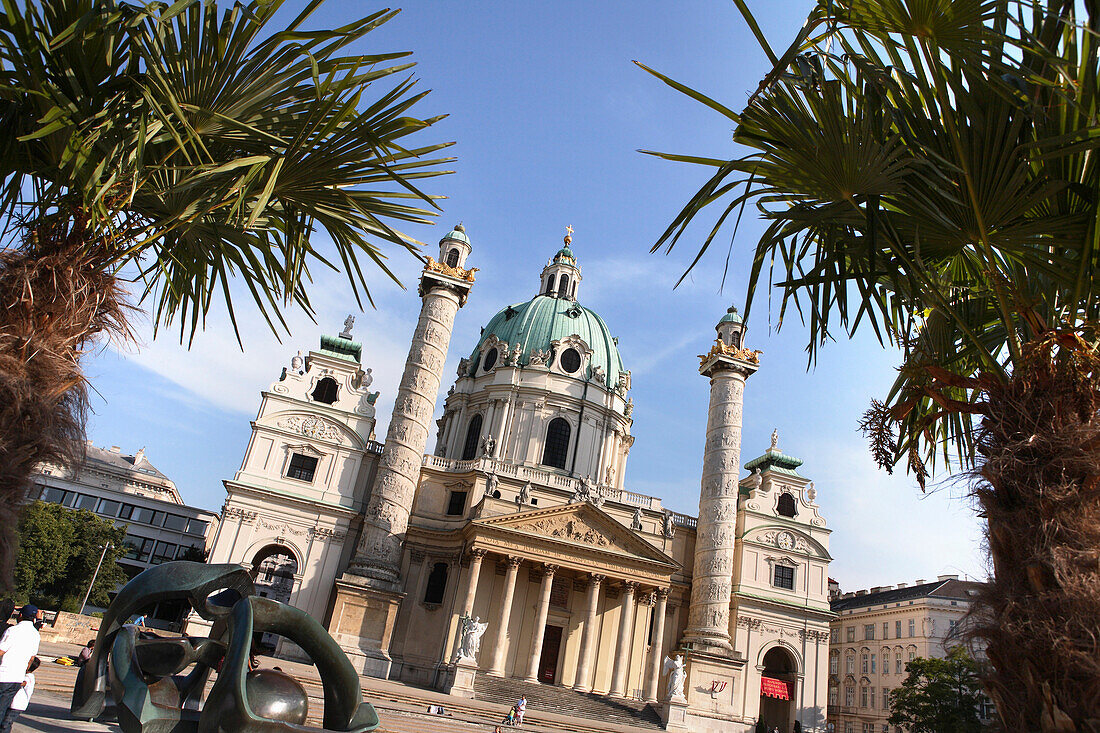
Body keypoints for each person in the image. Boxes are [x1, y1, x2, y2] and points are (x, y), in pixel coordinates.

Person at [0, 606, 41, 724]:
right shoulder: (35, 634)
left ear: (21, 615)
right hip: (17, 678)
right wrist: (23, 672)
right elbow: (31, 658)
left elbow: (1, 651)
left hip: (3, 675)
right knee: (2, 709)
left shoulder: (13, 630)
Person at [0, 657, 39, 733]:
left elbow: (23, 683)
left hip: (17, 705)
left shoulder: (29, 677)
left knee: (5, 724)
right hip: (11, 703)